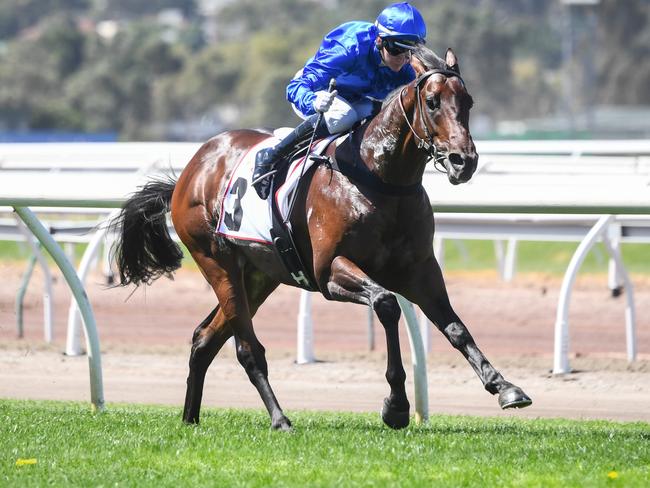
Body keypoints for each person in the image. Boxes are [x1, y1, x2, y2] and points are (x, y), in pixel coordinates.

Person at [252, 2, 427, 199]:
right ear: (379, 40)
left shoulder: (407, 67)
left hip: (355, 98)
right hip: (320, 92)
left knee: (385, 115)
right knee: (342, 115)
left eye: (410, 51)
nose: (404, 59)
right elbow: (296, 87)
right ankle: (271, 156)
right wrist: (312, 101)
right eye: (397, 49)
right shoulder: (348, 48)